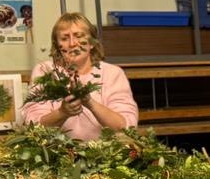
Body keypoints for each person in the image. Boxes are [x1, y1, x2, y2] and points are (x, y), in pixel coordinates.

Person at [20, 12, 139, 140]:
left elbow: (126, 127)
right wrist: (62, 112)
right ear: (57, 45)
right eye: (64, 38)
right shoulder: (45, 71)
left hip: (105, 150)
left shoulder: (112, 73)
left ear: (91, 43)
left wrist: (90, 103)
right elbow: (33, 126)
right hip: (57, 150)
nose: (72, 44)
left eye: (79, 36)